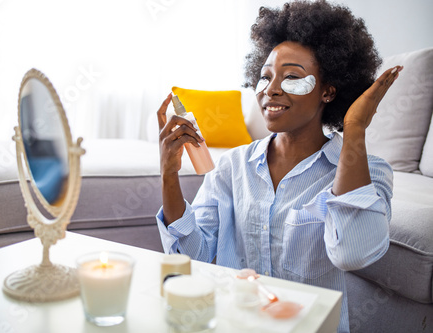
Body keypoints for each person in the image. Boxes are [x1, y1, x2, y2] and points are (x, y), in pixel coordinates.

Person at [155, 1, 402, 332]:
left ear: (328, 91)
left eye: (291, 77)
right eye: (265, 76)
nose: (270, 89)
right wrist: (168, 175)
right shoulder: (232, 166)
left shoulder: (371, 173)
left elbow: (353, 253)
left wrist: (354, 128)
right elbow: (193, 256)